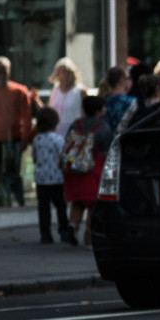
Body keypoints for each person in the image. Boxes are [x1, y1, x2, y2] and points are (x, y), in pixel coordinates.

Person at [62, 95, 110, 247]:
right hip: (92, 171)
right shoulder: (102, 127)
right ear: (99, 110)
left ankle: (72, 225)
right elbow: (107, 151)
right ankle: (89, 236)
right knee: (93, 205)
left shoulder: (75, 124)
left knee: (78, 202)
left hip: (73, 170)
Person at [31, 106, 73, 244]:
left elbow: (35, 158)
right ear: (55, 122)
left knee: (43, 208)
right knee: (61, 206)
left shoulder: (37, 139)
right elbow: (63, 157)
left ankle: (45, 234)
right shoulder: (58, 139)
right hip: (56, 179)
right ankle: (64, 230)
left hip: (41, 179)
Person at [0, 57, 33, 206]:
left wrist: (24, 138)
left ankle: (18, 201)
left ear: (9, 71)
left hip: (14, 138)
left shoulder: (19, 91)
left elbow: (26, 117)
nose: (1, 74)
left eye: (3, 70)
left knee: (13, 173)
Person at [48, 57, 85, 135]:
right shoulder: (54, 91)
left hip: (74, 132)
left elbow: (85, 114)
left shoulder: (80, 91)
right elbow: (50, 111)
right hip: (56, 132)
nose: (66, 75)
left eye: (68, 71)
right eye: (63, 71)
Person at [99, 66, 137, 134]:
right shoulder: (132, 102)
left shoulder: (101, 100)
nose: (131, 81)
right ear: (120, 81)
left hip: (104, 141)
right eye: (128, 78)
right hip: (122, 141)